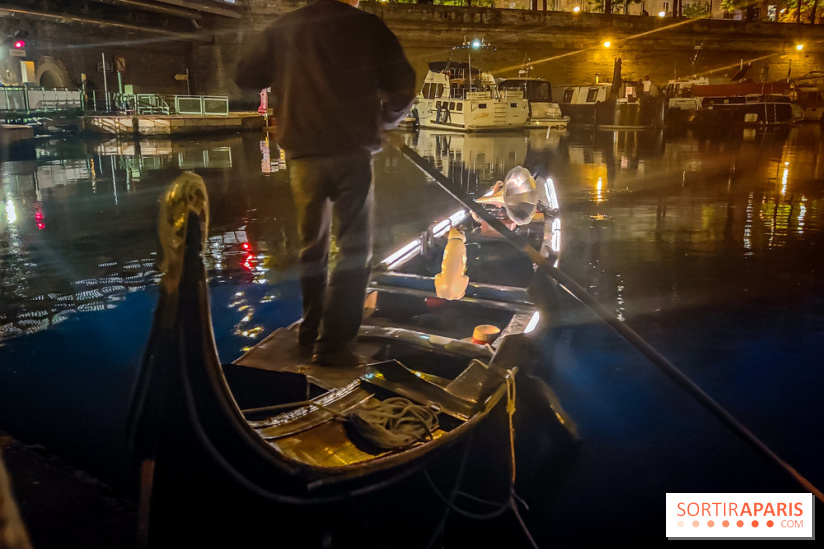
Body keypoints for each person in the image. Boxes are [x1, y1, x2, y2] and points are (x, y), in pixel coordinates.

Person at [235, 0, 416, 367]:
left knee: (311, 248)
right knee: (353, 252)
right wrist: (383, 119)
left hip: (303, 155)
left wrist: (285, 70)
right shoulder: (368, 26)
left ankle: (309, 331)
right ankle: (333, 348)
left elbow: (245, 75)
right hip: (352, 153)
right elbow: (404, 88)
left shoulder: (284, 28)